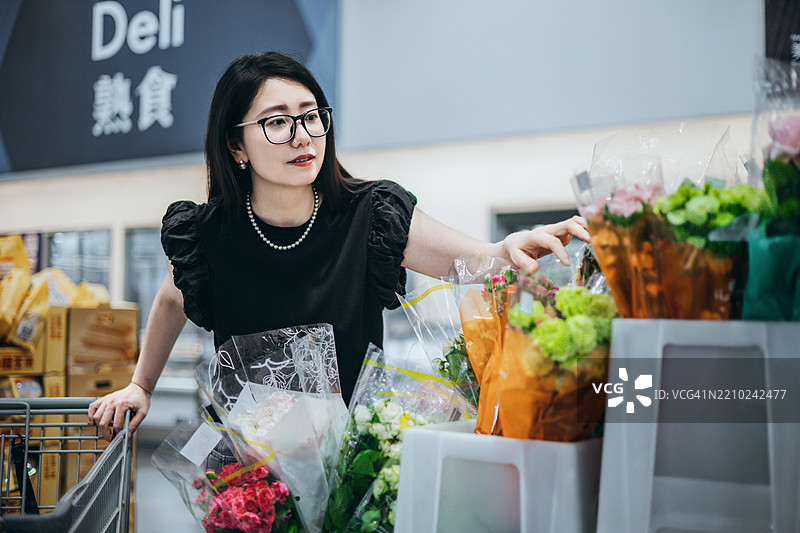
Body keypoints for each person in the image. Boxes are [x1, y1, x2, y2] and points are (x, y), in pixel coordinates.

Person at [88, 51, 590, 440]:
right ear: (236, 146)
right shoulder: (208, 234)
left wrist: (509, 251)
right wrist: (142, 385)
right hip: (247, 470)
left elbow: (472, 259)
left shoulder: (369, 214)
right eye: (277, 121)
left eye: (311, 115)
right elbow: (172, 298)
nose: (302, 135)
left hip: (352, 460)